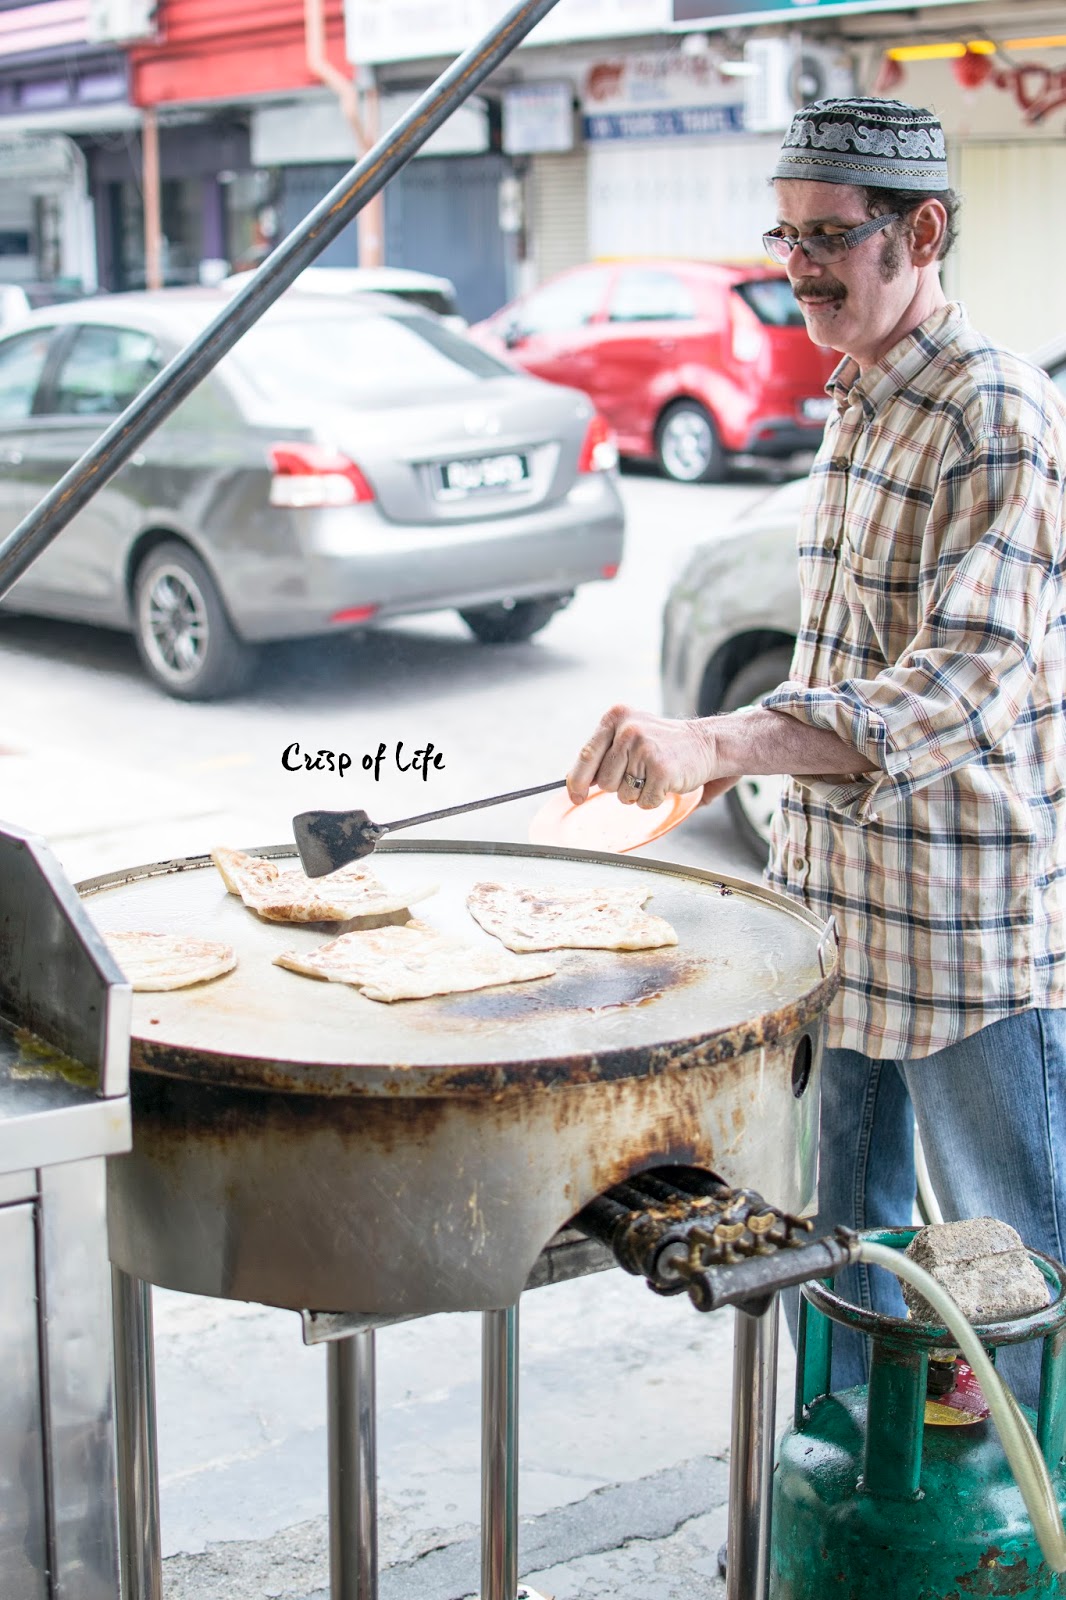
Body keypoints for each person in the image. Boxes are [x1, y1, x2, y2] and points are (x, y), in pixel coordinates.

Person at [567, 97, 1066, 1396]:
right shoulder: (854, 400)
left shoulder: (992, 413)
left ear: (922, 231)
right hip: (834, 914)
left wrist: (723, 732)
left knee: (1017, 1252)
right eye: (782, 235)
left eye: (828, 236)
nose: (797, 265)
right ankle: (832, 1481)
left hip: (964, 926)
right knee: (835, 1244)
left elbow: (955, 690)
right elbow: (842, 662)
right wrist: (721, 760)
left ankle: (1015, 1538)